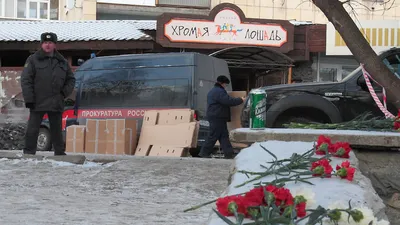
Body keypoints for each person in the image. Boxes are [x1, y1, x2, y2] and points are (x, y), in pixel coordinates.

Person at [21, 32, 76, 156]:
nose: (47, 45)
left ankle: (59, 153)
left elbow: (71, 79)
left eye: (50, 43)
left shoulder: (62, 61)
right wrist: (29, 99)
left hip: (56, 100)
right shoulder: (33, 60)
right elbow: (26, 80)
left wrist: (63, 93)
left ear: (55, 45)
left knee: (56, 129)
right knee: (33, 129)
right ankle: (29, 153)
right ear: (41, 44)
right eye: (45, 42)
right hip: (37, 101)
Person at [199, 75, 245, 159]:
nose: (226, 86)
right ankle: (204, 153)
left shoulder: (214, 91)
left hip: (217, 116)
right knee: (213, 135)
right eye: (226, 84)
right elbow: (228, 101)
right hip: (217, 117)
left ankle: (229, 154)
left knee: (223, 136)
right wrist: (240, 99)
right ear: (222, 83)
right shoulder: (219, 92)